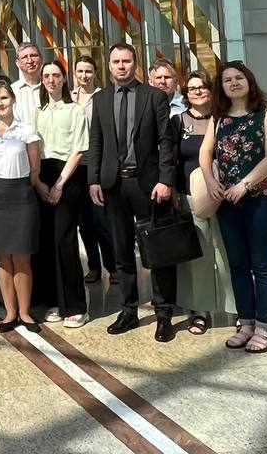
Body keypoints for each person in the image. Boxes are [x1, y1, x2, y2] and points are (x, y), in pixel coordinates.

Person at [86, 43, 177, 343]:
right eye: (116, 61)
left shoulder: (154, 96)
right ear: (109, 66)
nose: (121, 66)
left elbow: (166, 141)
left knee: (157, 250)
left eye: (126, 60)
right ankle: (128, 310)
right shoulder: (100, 99)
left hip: (148, 184)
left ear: (135, 64)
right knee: (122, 250)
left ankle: (163, 313)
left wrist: (166, 180)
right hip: (114, 185)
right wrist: (93, 180)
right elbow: (96, 142)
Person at [201, 61, 267, 354]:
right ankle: (245, 322)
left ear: (249, 81)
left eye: (239, 77)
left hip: (260, 200)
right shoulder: (219, 119)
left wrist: (245, 185)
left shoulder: (266, 115)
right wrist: (210, 180)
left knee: (261, 266)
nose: (234, 83)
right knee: (237, 265)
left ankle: (264, 327)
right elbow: (205, 152)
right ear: (221, 87)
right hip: (228, 203)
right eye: (227, 80)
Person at [0, 80, 43, 333]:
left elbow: (34, 170)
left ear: (12, 99)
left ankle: (24, 312)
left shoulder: (27, 131)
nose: (0, 104)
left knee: (22, 257)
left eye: (3, 98)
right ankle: (10, 312)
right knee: (2, 258)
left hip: (21, 195)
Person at [173, 70, 235, 337]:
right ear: (186, 94)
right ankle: (200, 311)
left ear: (211, 90)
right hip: (190, 196)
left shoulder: (225, 119)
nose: (197, 92)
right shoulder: (178, 122)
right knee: (198, 257)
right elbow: (172, 160)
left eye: (202, 87)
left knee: (228, 254)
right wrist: (174, 192)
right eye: (192, 88)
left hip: (225, 196)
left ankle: (237, 309)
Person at [35, 60, 89, 328]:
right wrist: (38, 183)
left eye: (56, 75)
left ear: (64, 79)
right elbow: (33, 149)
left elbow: (78, 150)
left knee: (64, 240)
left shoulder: (75, 110)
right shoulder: (39, 111)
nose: (51, 80)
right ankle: (53, 301)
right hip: (43, 175)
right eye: (46, 75)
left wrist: (59, 185)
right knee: (46, 241)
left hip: (67, 176)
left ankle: (76, 305)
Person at [72, 55, 116, 285]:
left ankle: (112, 266)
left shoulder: (103, 97)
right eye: (80, 71)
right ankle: (93, 267)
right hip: (75, 166)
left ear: (95, 73)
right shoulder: (70, 97)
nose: (84, 75)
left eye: (88, 71)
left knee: (101, 220)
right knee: (84, 222)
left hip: (96, 164)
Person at [11, 42, 45, 126]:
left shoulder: (52, 87)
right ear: (17, 63)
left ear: (41, 59)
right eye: (24, 57)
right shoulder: (12, 91)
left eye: (34, 56)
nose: (30, 61)